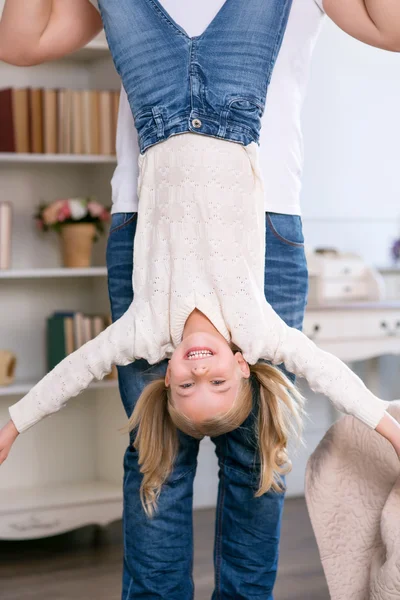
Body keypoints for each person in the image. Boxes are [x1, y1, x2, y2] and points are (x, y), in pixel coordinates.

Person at [0, 2, 400, 600]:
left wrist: (11, 425)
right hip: (239, 113)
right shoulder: (253, 329)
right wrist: (389, 426)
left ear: (168, 376)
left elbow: (75, 370)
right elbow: (327, 374)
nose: (200, 370)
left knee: (171, 461)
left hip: (158, 105)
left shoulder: (148, 330)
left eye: (187, 386)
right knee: (255, 450)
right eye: (218, 382)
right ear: (242, 364)